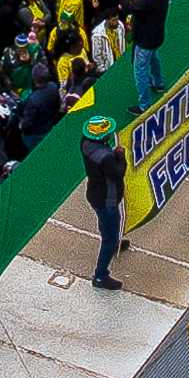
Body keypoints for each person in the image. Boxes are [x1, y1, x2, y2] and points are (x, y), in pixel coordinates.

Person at [81, 117, 126, 291]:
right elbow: (117, 173)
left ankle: (114, 242)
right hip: (107, 199)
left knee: (108, 224)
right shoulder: (106, 157)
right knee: (109, 235)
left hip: (95, 193)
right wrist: (121, 158)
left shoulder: (84, 143)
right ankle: (100, 276)